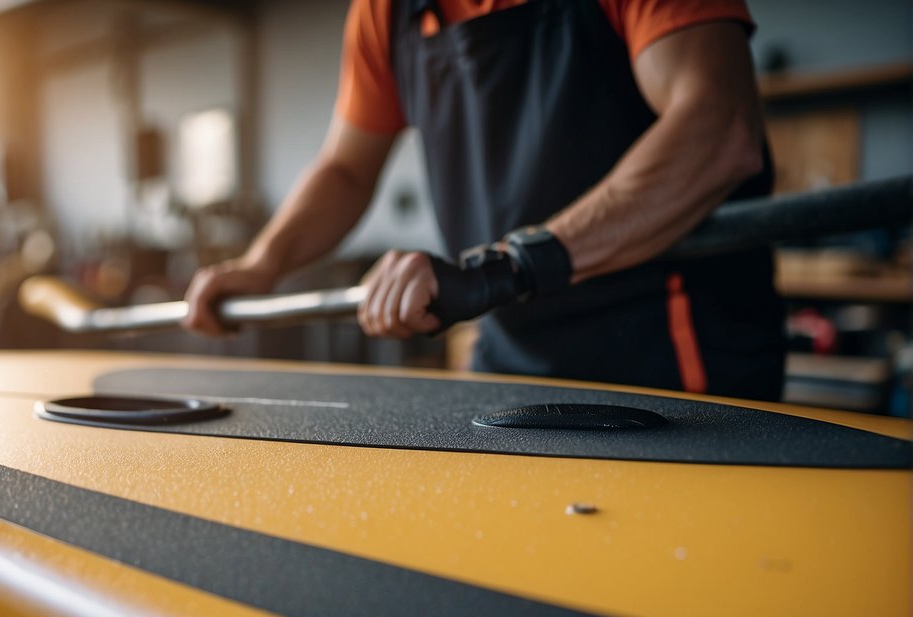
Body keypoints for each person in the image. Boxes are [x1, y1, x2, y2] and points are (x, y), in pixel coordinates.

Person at [183, 0, 786, 400]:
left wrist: (503, 266)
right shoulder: (387, 11)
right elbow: (345, 169)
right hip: (509, 333)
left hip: (672, 349)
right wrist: (262, 264)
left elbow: (719, 126)